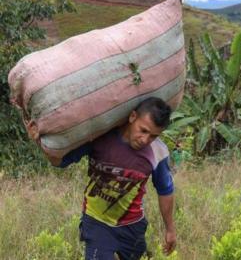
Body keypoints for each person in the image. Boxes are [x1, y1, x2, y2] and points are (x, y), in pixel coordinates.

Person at [27, 97, 176, 260]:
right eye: (143, 130)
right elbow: (59, 161)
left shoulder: (158, 153)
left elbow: (165, 190)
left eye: (153, 136)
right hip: (96, 221)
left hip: (133, 225)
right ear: (133, 117)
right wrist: (39, 141)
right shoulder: (99, 137)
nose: (145, 140)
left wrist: (170, 229)